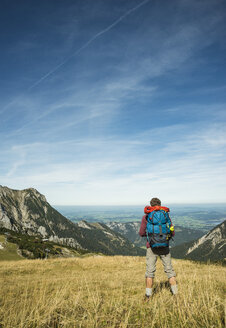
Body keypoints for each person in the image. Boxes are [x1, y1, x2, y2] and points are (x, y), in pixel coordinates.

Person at [139, 197, 178, 300]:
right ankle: (176, 295)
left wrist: (150, 236)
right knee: (169, 271)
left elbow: (142, 233)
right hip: (164, 246)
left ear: (151, 206)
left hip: (151, 247)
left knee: (150, 272)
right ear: (160, 205)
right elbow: (172, 232)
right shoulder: (165, 216)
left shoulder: (146, 217)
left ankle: (148, 296)